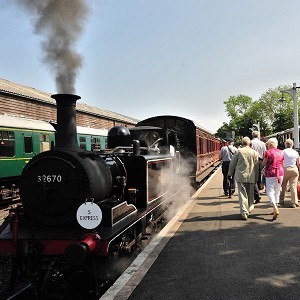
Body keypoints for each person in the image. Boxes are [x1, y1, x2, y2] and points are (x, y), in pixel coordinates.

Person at [228, 137, 259, 220]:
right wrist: (256, 177)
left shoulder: (239, 151)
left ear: (242, 143)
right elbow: (256, 166)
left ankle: (244, 212)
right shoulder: (254, 153)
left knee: (242, 195)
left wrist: (229, 174)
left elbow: (232, 164)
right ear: (249, 143)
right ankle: (249, 208)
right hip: (251, 176)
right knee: (250, 195)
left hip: (240, 176)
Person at [262, 138, 284, 220]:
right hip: (280, 172)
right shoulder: (281, 152)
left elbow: (264, 163)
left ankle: (275, 207)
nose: (267, 146)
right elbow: (282, 163)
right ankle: (276, 207)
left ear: (270, 144)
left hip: (270, 172)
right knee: (277, 190)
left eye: (267, 144)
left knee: (270, 191)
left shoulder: (267, 152)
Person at [279, 139, 300, 208]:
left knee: (283, 185)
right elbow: (298, 163)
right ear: (292, 145)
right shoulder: (295, 152)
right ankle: (294, 202)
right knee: (293, 186)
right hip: (294, 169)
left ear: (285, 145)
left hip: (285, 169)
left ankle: (281, 200)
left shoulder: (283, 152)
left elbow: (280, 161)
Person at [251, 131, 266, 203]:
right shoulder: (262, 144)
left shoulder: (250, 143)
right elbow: (265, 153)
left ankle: (256, 193)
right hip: (260, 161)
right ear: (259, 136)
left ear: (252, 136)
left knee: (253, 177)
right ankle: (258, 191)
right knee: (259, 176)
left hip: (252, 161)